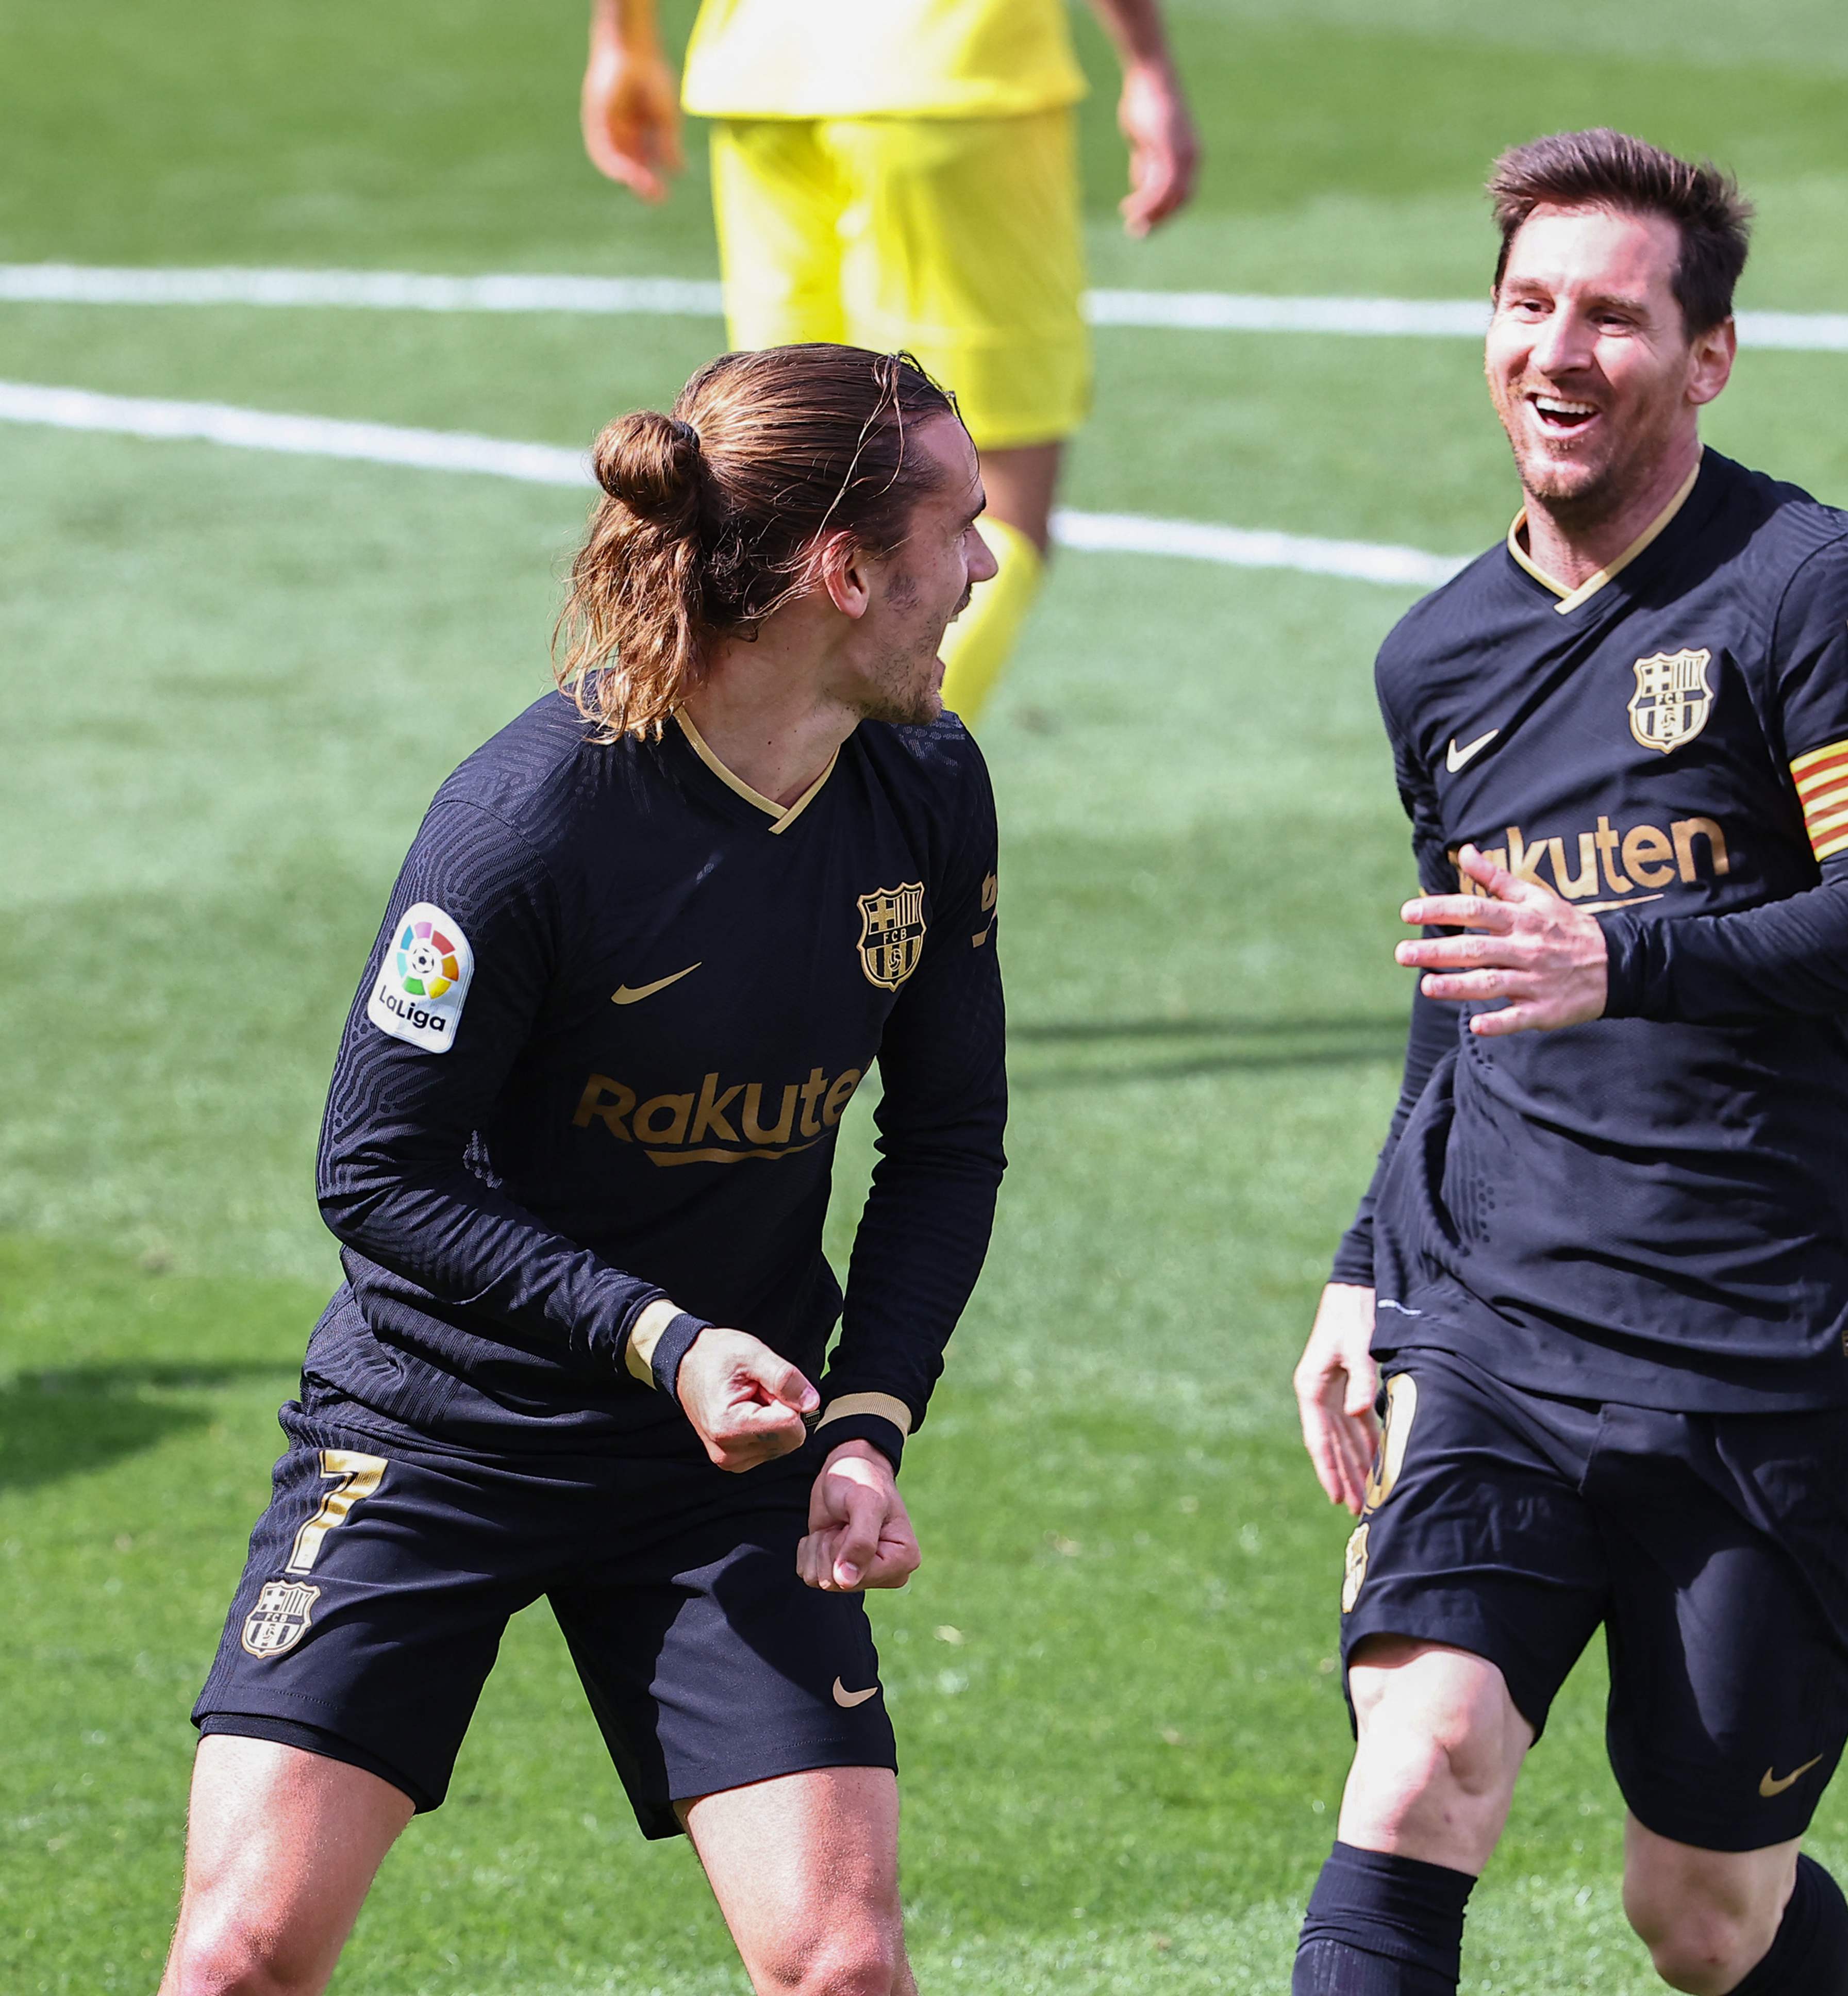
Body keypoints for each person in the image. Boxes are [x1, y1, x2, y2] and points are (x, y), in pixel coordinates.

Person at [157, 345, 1008, 1996]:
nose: (985, 563)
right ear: (843, 572)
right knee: (242, 1958)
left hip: (719, 1461)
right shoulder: (532, 824)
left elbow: (947, 1137)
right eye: (959, 528)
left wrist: (868, 1419)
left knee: (842, 1965)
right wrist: (661, 1336)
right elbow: (376, 1171)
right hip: (438, 1431)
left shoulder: (926, 788)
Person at [1287, 129, 1848, 1996]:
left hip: (1762, 1342)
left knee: (1702, 1912)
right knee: (1415, 1772)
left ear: (1707, 356)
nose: (1554, 354)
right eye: (1522, 307)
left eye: (1609, 316)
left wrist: (1623, 957)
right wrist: (1368, 1260)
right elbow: (1463, 990)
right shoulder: (1437, 657)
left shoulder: (1814, 589)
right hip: (1495, 1328)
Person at [580, 0, 1201, 722]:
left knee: (782, 495)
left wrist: (621, 38)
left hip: (765, 78)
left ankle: (729, 783)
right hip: (954, 73)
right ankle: (885, 789)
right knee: (991, 504)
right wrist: (1148, 64)